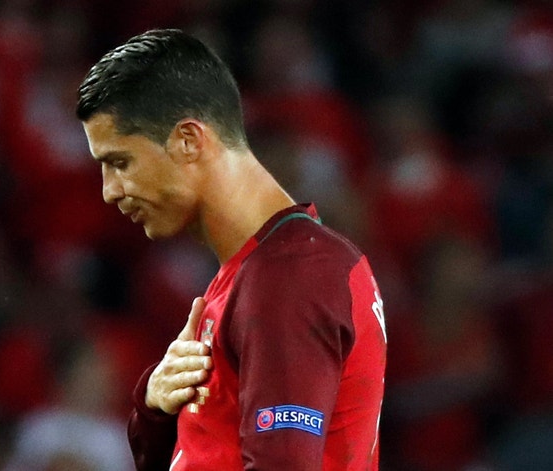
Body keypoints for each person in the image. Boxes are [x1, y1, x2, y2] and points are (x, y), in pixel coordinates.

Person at [75, 29, 387, 470]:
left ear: (188, 140)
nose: (110, 191)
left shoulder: (291, 276)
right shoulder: (256, 273)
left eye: (120, 162)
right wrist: (155, 411)